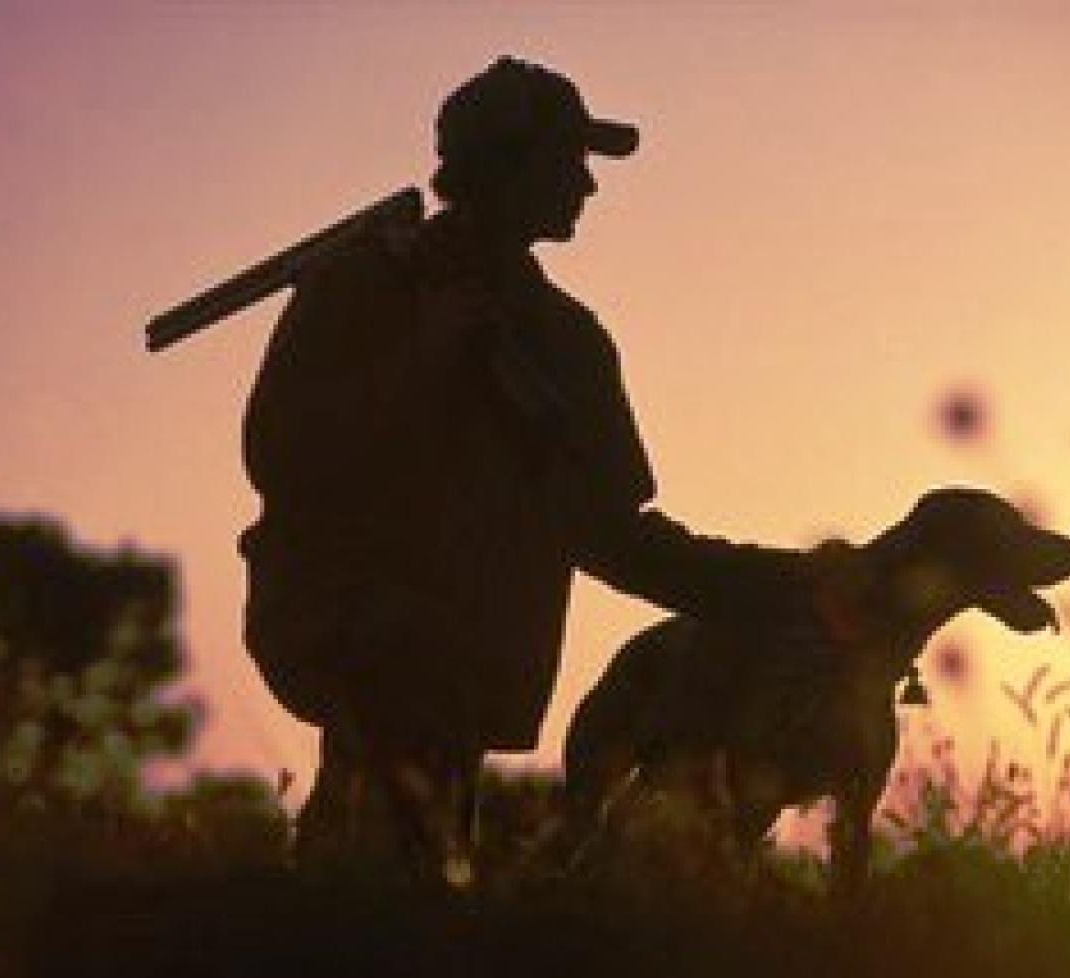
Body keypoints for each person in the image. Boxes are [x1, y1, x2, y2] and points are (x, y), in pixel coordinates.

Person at [239, 56, 831, 885]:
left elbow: (613, 536)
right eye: (567, 160)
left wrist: (789, 585)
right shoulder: (365, 283)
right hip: (357, 627)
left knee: (410, 883)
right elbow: (280, 452)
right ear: (504, 167)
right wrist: (427, 355)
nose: (587, 186)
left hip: (473, 656)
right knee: (385, 863)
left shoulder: (568, 341)